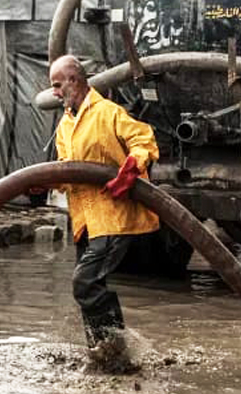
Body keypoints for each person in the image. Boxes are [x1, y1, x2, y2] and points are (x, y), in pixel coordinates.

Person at [48, 55, 159, 354]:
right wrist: (44, 182)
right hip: (84, 223)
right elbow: (66, 171)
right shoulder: (65, 126)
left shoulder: (108, 113)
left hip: (112, 216)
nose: (55, 93)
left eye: (57, 85)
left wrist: (132, 168)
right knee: (87, 289)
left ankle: (114, 349)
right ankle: (101, 352)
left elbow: (144, 139)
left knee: (84, 284)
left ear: (74, 80)